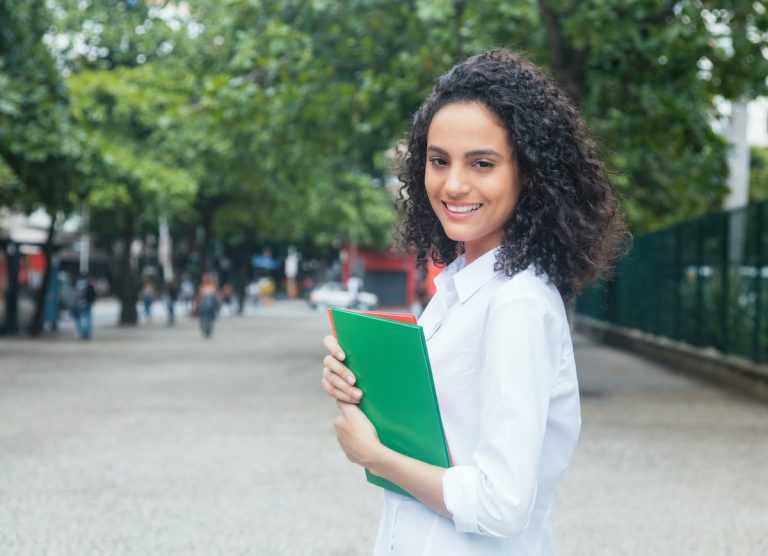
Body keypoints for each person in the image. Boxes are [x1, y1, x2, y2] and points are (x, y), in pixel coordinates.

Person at [320, 49, 628, 555]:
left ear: (529, 174)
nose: (453, 184)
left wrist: (376, 457)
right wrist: (357, 385)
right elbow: (440, 427)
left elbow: (502, 506)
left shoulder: (517, 304)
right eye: (438, 161)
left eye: (481, 163)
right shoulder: (462, 285)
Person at [73, 274, 96, 340]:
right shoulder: (88, 285)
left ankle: (81, 332)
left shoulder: (77, 285)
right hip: (88, 303)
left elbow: (75, 295)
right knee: (88, 318)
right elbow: (93, 294)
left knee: (79, 319)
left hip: (79, 304)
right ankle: (88, 333)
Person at [197, 273, 219, 338]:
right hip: (203, 306)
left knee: (210, 320)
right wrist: (198, 305)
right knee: (203, 320)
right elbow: (199, 297)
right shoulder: (201, 287)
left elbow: (215, 297)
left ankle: (208, 332)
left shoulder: (212, 287)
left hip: (210, 306)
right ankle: (205, 331)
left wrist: (217, 305)